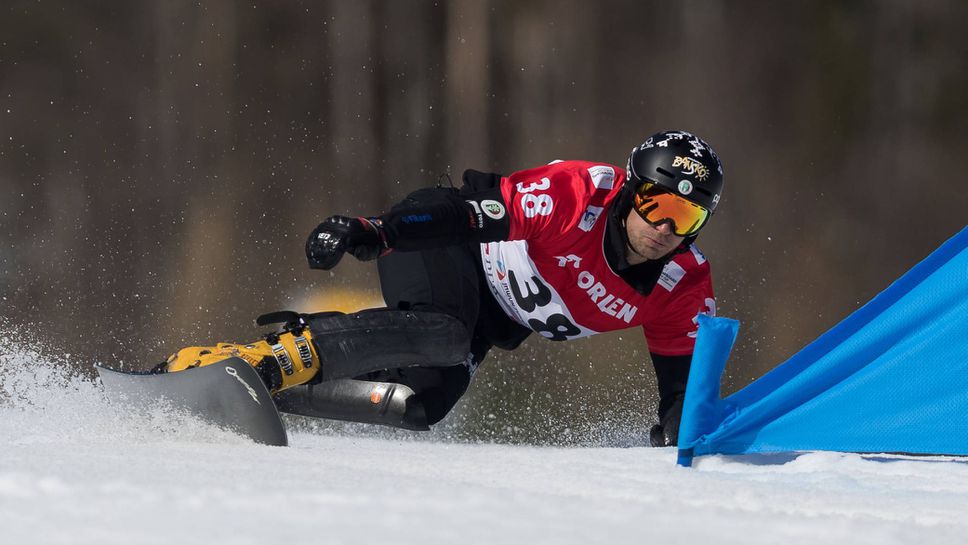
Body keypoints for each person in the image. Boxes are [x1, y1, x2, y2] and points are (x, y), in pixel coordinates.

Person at [161, 130, 724, 446]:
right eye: (657, 204)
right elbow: (459, 212)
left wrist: (685, 441)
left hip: (485, 317)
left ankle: (248, 383)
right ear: (631, 191)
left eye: (688, 218)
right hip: (447, 245)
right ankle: (268, 358)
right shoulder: (575, 197)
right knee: (441, 332)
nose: (664, 229)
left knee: (418, 407)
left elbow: (680, 394)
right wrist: (378, 230)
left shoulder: (682, 285)